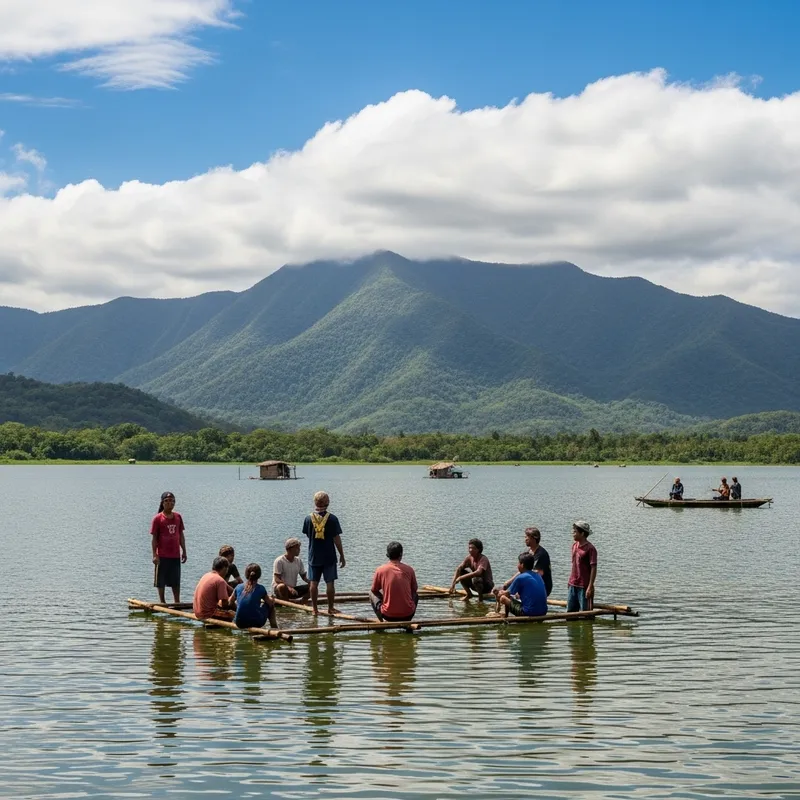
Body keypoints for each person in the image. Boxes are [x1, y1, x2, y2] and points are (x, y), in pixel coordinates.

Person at [302, 491, 346, 615]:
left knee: (313, 583)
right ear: (327, 503)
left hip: (314, 555)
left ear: (315, 502)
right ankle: (330, 608)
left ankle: (315, 609)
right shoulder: (332, 519)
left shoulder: (308, 518)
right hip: (329, 556)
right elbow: (336, 538)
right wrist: (342, 555)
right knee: (330, 583)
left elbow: (307, 534)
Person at [150, 491, 187, 604]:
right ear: (162, 503)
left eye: (172, 501)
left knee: (175, 581)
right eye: (167, 501)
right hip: (162, 555)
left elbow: (180, 535)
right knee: (161, 580)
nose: (170, 503)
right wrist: (154, 555)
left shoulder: (178, 517)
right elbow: (154, 538)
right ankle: (162, 602)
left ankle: (177, 602)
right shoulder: (157, 519)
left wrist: (184, 551)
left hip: (175, 554)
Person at [495, 526, 553, 598]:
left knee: (514, 593)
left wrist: (520, 586)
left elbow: (539, 574)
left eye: (527, 537)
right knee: (506, 586)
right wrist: (509, 581)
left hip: (542, 586)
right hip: (530, 581)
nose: (525, 539)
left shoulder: (541, 554)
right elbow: (523, 570)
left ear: (534, 538)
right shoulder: (529, 551)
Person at [369, 541, 419, 622]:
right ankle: (408, 622)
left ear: (388, 555)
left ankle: (381, 621)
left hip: (387, 615)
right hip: (407, 614)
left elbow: (374, 590)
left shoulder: (380, 570)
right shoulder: (409, 569)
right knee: (415, 595)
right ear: (401, 555)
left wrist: (384, 598)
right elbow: (414, 589)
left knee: (371, 594)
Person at [496, 552, 548, 618]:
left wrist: (499, 592)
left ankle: (506, 617)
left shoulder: (520, 577)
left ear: (522, 565)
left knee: (503, 598)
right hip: (543, 612)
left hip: (529, 613)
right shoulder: (538, 575)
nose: (517, 565)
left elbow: (507, 594)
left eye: (518, 563)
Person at [232, 563, 277, 629]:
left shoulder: (238, 587)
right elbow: (270, 603)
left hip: (239, 623)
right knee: (271, 607)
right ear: (259, 576)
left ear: (246, 575)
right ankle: (274, 628)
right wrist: (272, 599)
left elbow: (230, 601)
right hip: (256, 623)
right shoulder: (261, 588)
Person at [567, 520, 597, 613]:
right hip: (573, 584)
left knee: (586, 614)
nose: (573, 534)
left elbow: (593, 568)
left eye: (575, 532)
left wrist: (590, 586)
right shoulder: (574, 546)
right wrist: (569, 581)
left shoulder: (590, 549)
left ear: (582, 533)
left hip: (584, 586)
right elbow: (574, 565)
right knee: (570, 613)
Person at [192, 556, 234, 620]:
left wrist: (236, 594)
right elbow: (224, 605)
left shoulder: (207, 575)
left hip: (197, 612)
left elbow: (232, 590)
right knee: (234, 615)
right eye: (227, 568)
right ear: (224, 568)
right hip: (208, 614)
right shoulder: (220, 580)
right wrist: (233, 603)